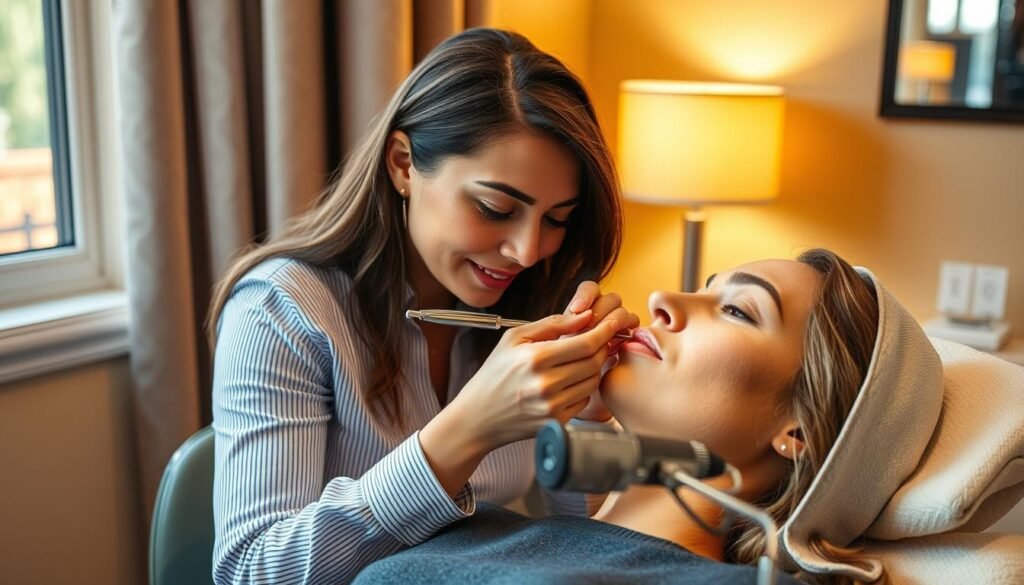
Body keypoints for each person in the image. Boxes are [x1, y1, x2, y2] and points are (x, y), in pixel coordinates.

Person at [208, 28, 639, 585]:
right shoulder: (281, 312)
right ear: (403, 164)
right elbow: (252, 572)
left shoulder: (536, 305)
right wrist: (467, 430)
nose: (529, 250)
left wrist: (592, 413)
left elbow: (603, 539)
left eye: (556, 219)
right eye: (495, 207)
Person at [353, 248, 936, 585]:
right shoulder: (494, 525)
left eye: (736, 309)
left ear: (800, 431)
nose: (661, 299)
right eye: (707, 288)